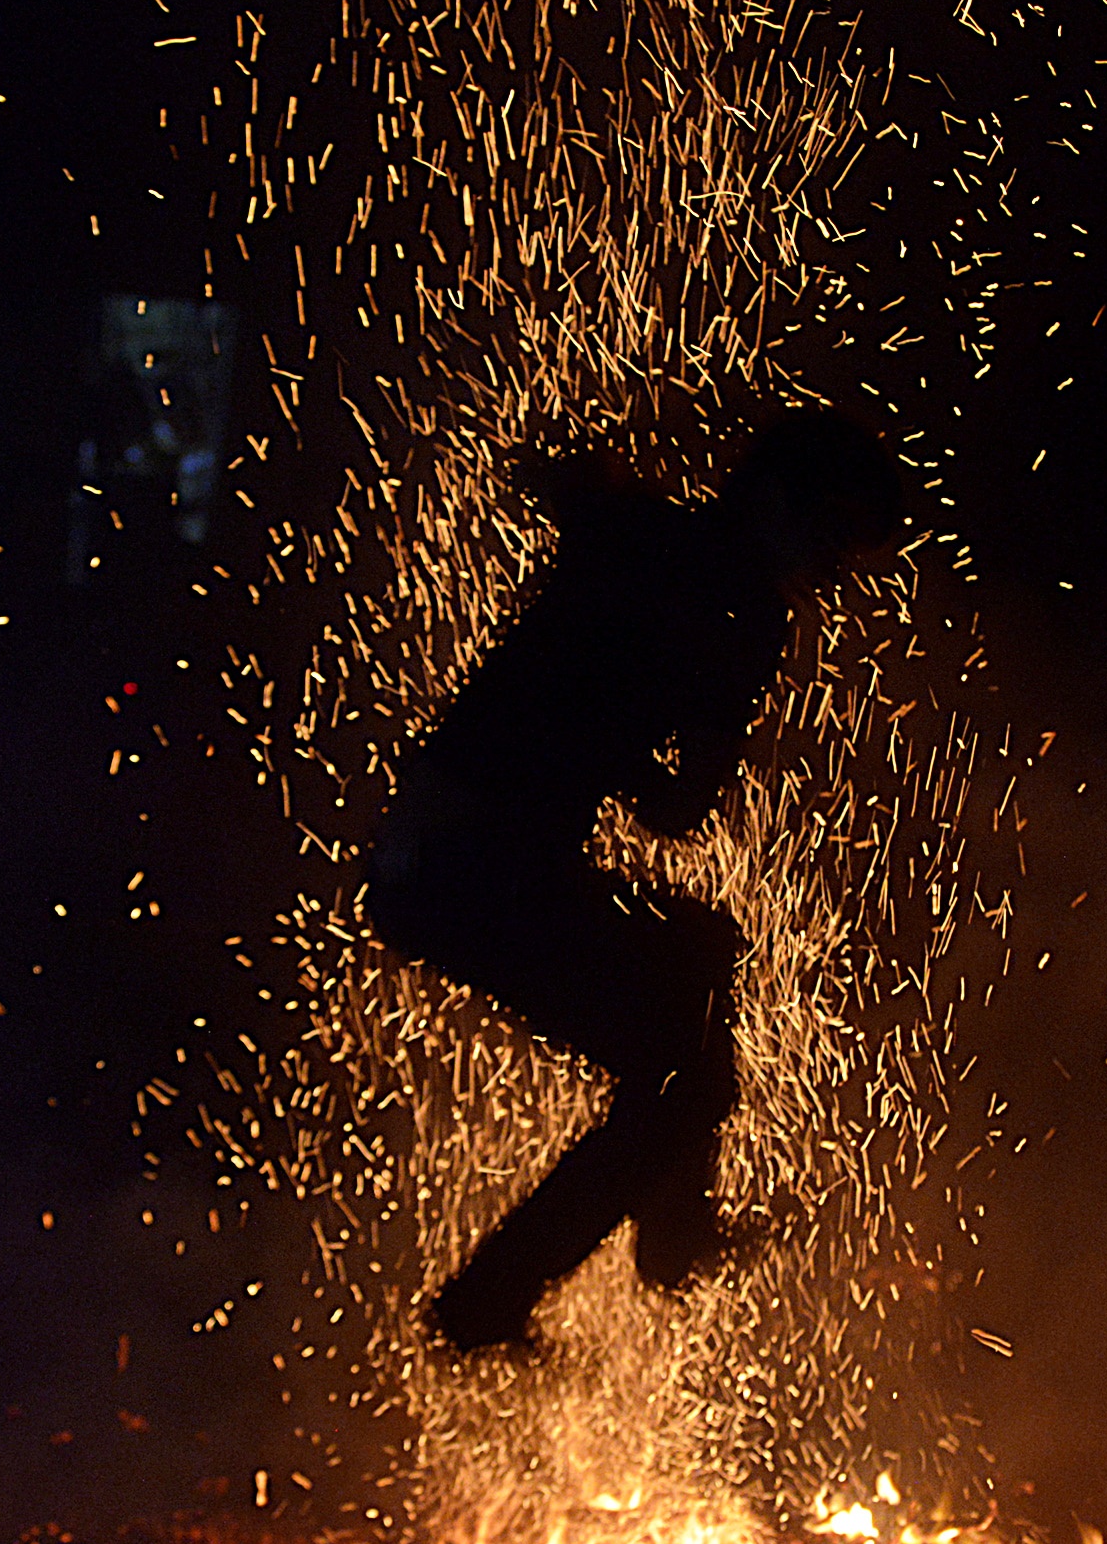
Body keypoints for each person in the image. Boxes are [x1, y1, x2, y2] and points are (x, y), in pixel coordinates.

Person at [365, 411, 904, 1350]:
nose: (829, 569)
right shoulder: (742, 609)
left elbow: (573, 495)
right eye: (832, 539)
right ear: (780, 505)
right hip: (475, 869)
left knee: (696, 951)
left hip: (434, 854)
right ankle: (495, 1303)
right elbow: (673, 812)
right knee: (685, 1087)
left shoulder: (647, 534)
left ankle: (665, 1237)